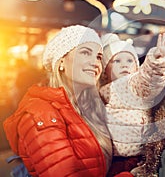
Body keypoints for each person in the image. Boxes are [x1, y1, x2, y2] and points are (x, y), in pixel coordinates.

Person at [3, 25, 132, 177]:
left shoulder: (91, 108)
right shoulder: (40, 113)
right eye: (85, 53)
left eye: (98, 57)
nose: (95, 63)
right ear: (61, 62)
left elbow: (99, 167)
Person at [99, 32, 165, 176]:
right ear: (105, 71)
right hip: (112, 160)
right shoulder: (101, 92)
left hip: (139, 159)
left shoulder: (136, 86)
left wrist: (156, 62)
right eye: (117, 61)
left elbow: (149, 79)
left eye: (129, 60)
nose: (124, 65)